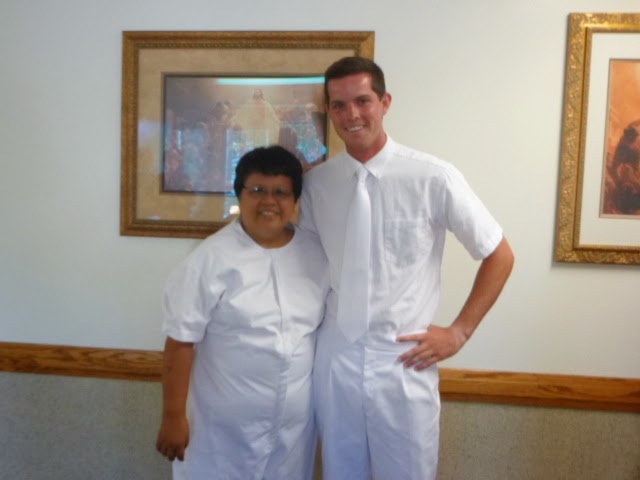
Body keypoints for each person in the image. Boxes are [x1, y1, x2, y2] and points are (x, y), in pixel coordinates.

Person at [299, 56, 514, 480]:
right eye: (339, 105)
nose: (352, 114)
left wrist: (459, 332)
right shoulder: (317, 185)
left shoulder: (432, 177)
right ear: (329, 111)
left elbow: (499, 254)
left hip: (402, 360)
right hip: (336, 360)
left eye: (362, 101)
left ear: (385, 103)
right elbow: (305, 265)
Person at [156, 145, 329, 480]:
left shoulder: (316, 255)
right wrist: (173, 417)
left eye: (281, 192)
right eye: (257, 190)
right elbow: (180, 342)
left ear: (295, 199)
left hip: (292, 435)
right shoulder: (209, 259)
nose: (269, 201)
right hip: (222, 434)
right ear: (240, 194)